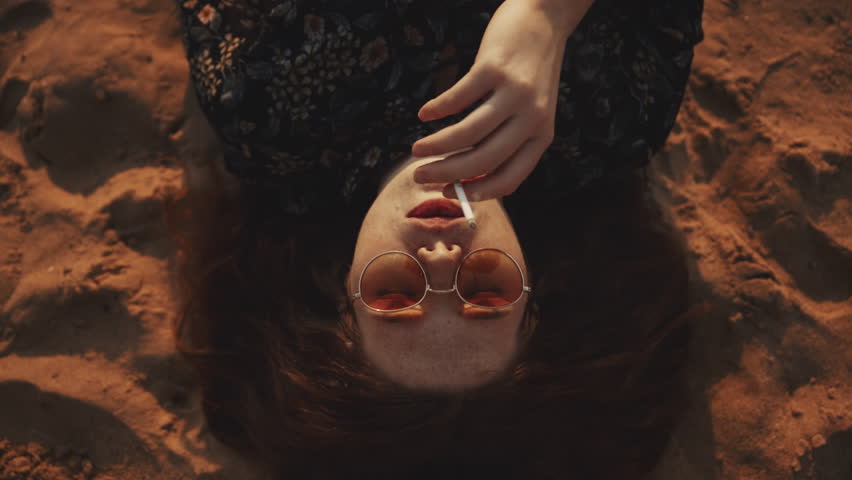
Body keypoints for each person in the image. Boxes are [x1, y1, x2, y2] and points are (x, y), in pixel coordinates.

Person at [164, 0, 706, 478]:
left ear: (340, 294)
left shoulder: (263, 111)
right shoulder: (611, 118)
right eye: (486, 292)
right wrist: (547, 16)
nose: (443, 254)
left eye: (397, 293)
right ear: (536, 296)